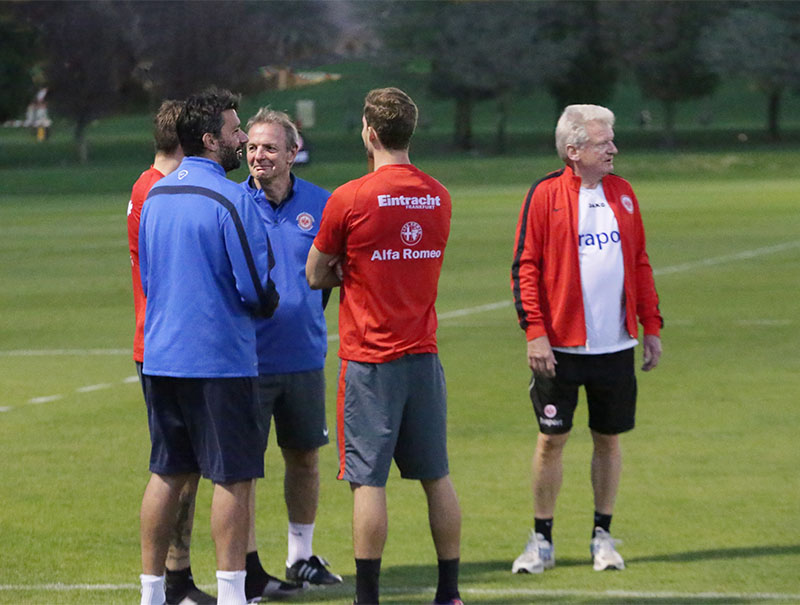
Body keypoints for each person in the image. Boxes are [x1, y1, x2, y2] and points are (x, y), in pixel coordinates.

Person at [306, 87, 463, 605]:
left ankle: (368, 597)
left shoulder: (350, 197)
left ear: (369, 132)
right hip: (423, 353)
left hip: (370, 359)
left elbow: (313, 274)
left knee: (367, 481)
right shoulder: (437, 194)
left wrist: (346, 269)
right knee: (436, 477)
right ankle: (448, 592)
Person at [137, 88, 279, 605]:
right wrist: (267, 303)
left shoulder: (155, 195)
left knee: (167, 472)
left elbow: (150, 279)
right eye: (235, 130)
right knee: (233, 476)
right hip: (219, 359)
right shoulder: (232, 197)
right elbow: (256, 287)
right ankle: (232, 595)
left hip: (162, 357)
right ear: (209, 139)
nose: (243, 138)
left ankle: (151, 594)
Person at [510, 104, 663, 574]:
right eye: (604, 142)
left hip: (616, 345)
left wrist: (650, 326)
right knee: (551, 441)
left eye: (612, 140)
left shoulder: (624, 194)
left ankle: (602, 535)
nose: (614, 148)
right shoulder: (545, 195)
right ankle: (541, 540)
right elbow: (525, 267)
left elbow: (639, 261)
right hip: (559, 347)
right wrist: (535, 333)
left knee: (609, 440)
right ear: (574, 151)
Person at [238, 108, 342, 601]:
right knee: (244, 469)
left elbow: (334, 274)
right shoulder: (231, 201)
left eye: (269, 147)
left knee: (304, 457)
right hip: (244, 361)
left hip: (302, 355)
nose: (259, 155)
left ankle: (300, 557)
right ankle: (246, 568)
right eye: (253, 147)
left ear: (292, 152)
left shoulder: (323, 204)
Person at [127, 100, 216, 605]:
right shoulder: (157, 190)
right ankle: (167, 582)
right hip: (167, 346)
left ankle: (175, 578)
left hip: (162, 343)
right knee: (174, 469)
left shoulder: (149, 186)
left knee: (186, 469)